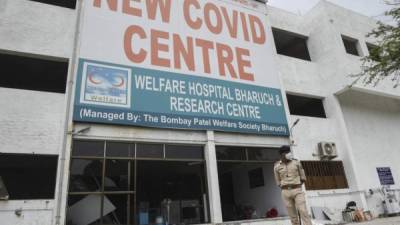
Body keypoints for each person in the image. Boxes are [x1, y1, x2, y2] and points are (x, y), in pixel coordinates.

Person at [274, 145, 312, 225]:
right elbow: (278, 181)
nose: (289, 154)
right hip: (285, 192)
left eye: (289, 152)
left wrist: (296, 185)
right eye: (287, 152)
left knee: (303, 211)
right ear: (281, 155)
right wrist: (285, 186)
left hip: (297, 190)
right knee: (292, 215)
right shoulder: (277, 166)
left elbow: (303, 177)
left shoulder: (296, 162)